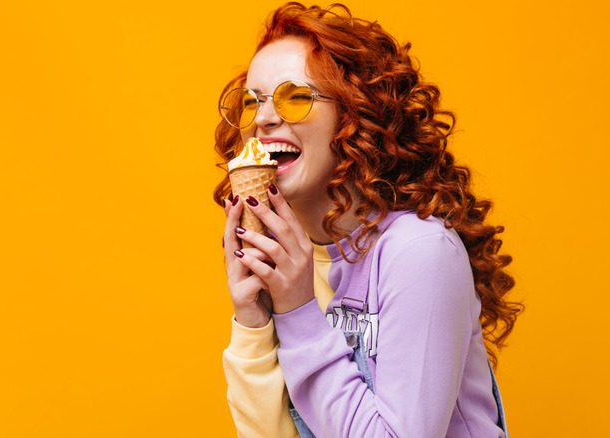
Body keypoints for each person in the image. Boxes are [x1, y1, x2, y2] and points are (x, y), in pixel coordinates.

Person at [214, 3, 522, 437]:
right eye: (252, 101)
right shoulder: (294, 262)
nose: (262, 119)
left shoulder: (418, 251)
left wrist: (299, 311)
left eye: (295, 97)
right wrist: (253, 319)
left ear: (354, 115)